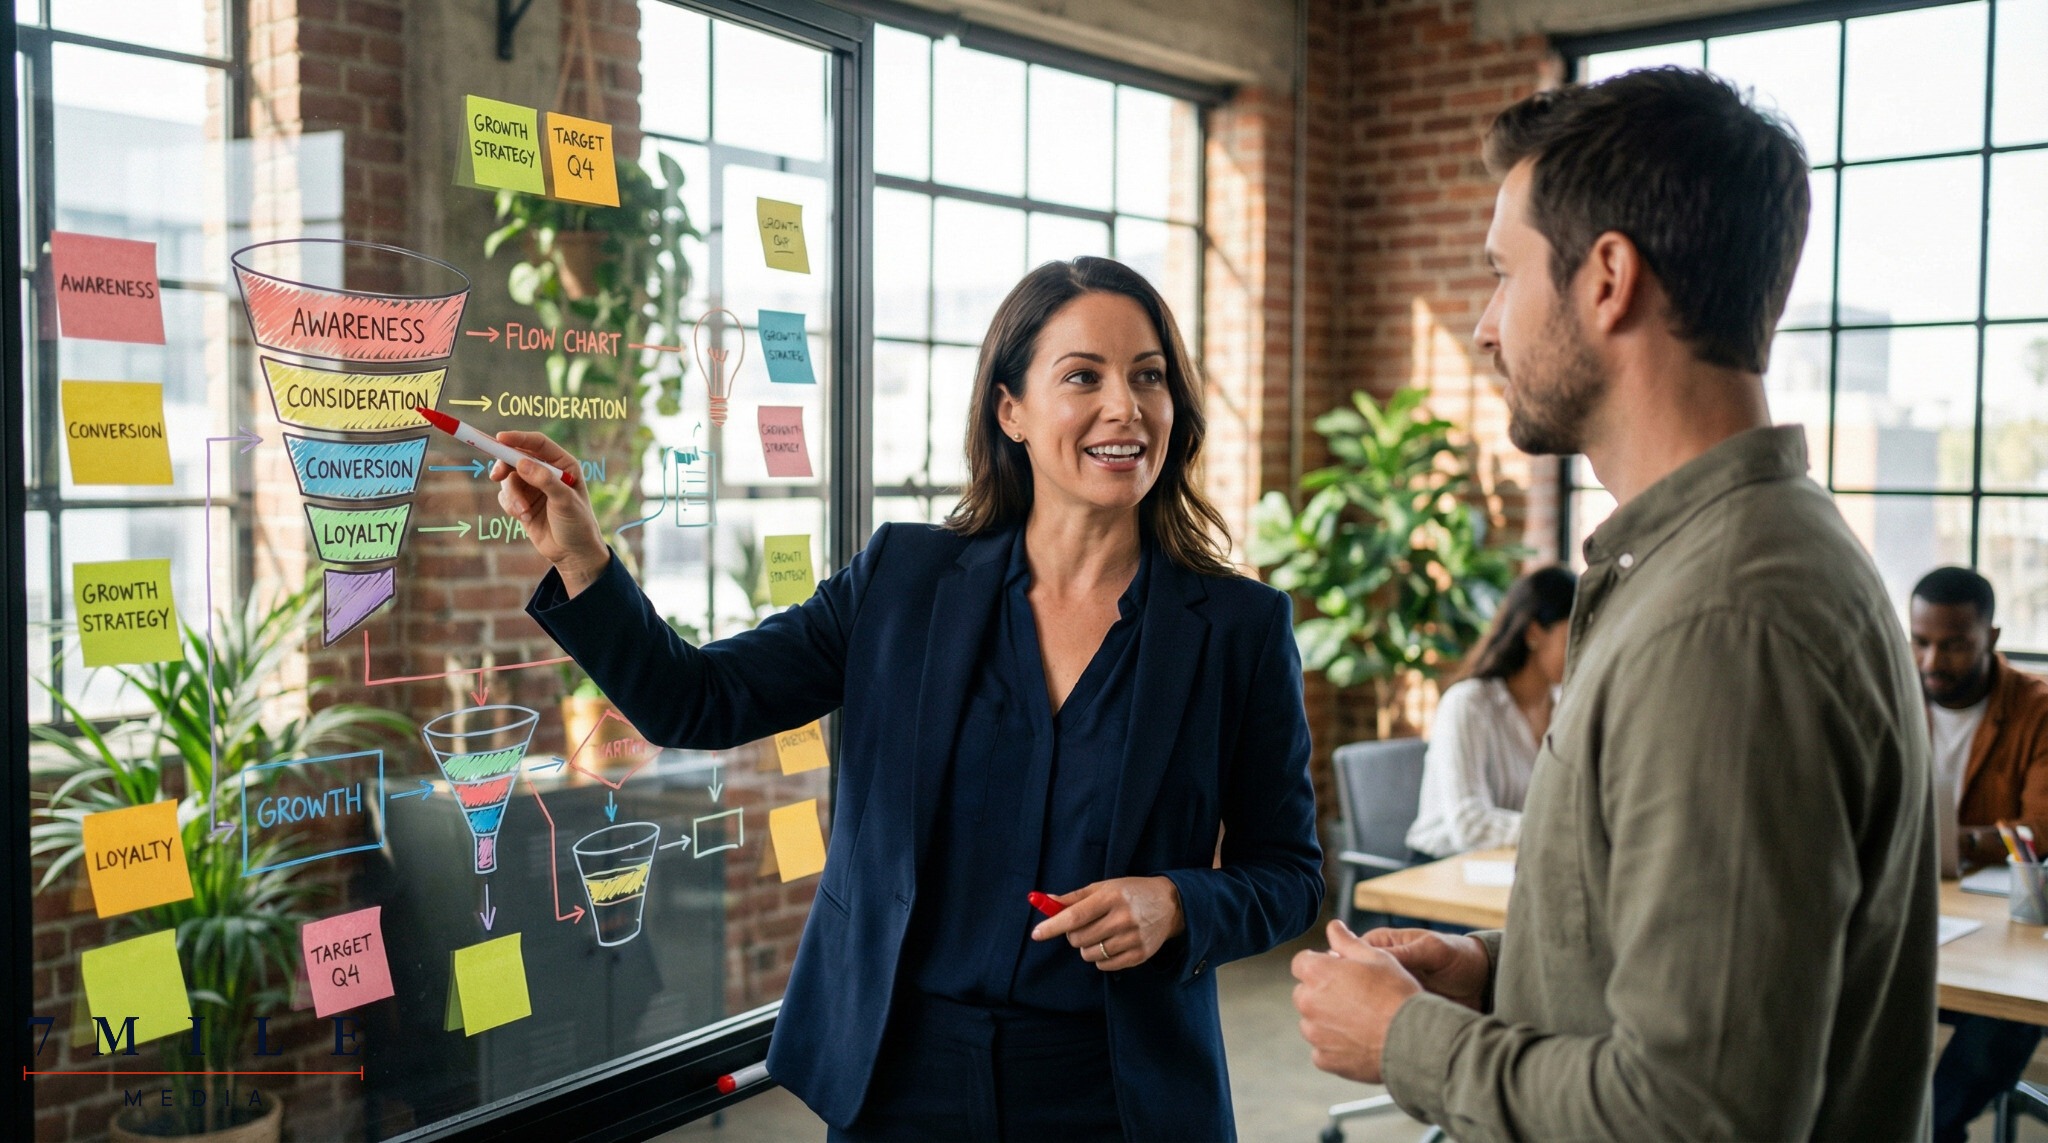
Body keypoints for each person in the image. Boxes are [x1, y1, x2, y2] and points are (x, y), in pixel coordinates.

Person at [494, 256, 1323, 1142]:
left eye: (1148, 377)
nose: (1125, 407)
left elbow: (1290, 874)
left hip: (1114, 1089)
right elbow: (697, 701)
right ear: (1012, 410)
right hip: (901, 1076)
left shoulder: (1238, 627)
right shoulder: (904, 580)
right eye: (1083, 375)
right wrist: (584, 559)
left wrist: (1179, 902)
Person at [1291, 67, 1935, 1138]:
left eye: (1503, 275)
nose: (1486, 328)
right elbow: (1704, 984)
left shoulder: (1723, 624)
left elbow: (1693, 1115)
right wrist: (1493, 970)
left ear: (1605, 280)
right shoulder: (1719, 563)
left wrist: (1406, 1043)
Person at [1911, 566, 2048, 1141]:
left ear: (1991, 637)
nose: (1932, 662)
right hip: (1916, 906)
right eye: (1919, 642)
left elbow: (2041, 826)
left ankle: (1932, 1129)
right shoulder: (1892, 692)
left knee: (2004, 1014)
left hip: (2007, 926)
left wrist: (1960, 840)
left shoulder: (2036, 708)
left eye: (1954, 644)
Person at [1405, 565, 1575, 859]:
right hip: (1440, 869)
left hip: (1513, 862)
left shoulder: (1565, 707)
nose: (1582, 650)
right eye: (1572, 636)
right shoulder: (1468, 705)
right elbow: (1469, 824)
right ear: (1534, 633)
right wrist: (1562, 832)